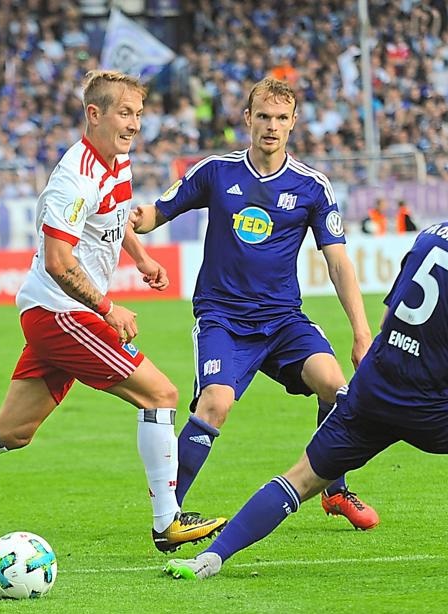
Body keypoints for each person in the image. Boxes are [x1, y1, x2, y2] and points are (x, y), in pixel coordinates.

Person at [162, 155, 448, 580]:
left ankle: (209, 559)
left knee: (300, 477)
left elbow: (391, 313)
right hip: (437, 408)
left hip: (372, 391)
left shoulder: (433, 235)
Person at [0, 70, 226, 552]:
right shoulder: (73, 179)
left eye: (139, 114)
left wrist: (142, 258)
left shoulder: (117, 160)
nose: (134, 125)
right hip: (61, 312)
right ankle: (166, 523)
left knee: (13, 431)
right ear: (94, 114)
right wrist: (108, 308)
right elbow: (61, 262)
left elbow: (118, 214)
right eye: (124, 113)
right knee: (161, 396)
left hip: (55, 314)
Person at [131, 78, 379, 530]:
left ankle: (335, 489)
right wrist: (133, 216)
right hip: (223, 318)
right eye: (263, 116)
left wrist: (362, 333)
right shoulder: (216, 171)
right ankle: (168, 515)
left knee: (335, 387)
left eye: (281, 118)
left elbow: (339, 263)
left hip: (283, 320)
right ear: (247, 119)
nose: (271, 126)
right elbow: (157, 212)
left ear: (293, 124)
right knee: (215, 404)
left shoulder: (312, 187)